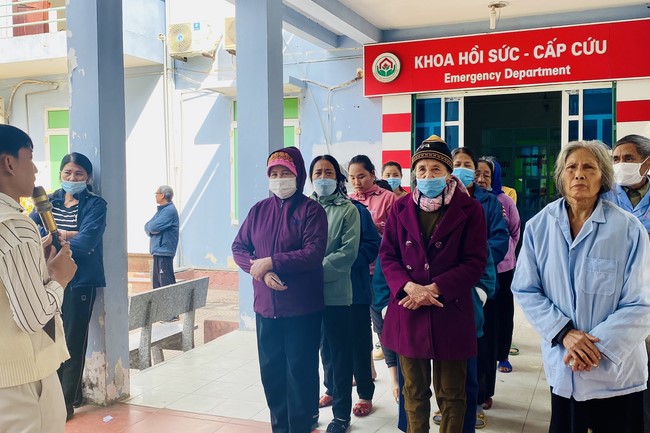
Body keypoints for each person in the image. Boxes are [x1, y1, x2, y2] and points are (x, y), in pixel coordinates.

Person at [512, 140, 650, 433]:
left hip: (617, 374)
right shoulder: (539, 226)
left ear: (603, 177)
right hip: (565, 365)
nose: (579, 174)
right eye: (571, 167)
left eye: (589, 167)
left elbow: (641, 302)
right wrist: (565, 334)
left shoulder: (629, 229)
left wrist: (594, 349)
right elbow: (526, 289)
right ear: (561, 176)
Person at [381, 135, 487, 433]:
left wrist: (435, 289)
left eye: (436, 169)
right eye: (422, 169)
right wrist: (410, 287)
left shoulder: (470, 210)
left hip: (449, 307)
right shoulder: (400, 208)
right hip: (409, 307)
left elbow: (475, 261)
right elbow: (388, 256)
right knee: (413, 392)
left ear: (448, 172)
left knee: (452, 394)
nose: (428, 175)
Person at [232, 147, 328, 433]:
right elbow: (239, 247)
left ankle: (300, 427)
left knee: (300, 373)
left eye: (285, 172)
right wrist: (261, 271)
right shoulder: (258, 210)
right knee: (272, 374)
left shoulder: (312, 211)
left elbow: (313, 253)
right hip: (266, 308)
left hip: (301, 309)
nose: (278, 178)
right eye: (273, 173)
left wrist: (272, 261)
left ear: (298, 175)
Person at [0, 124, 77, 433]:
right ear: (9, 163)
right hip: (22, 382)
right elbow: (31, 317)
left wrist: (36, 268)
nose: (34, 169)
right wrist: (59, 278)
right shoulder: (15, 225)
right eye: (30, 157)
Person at [30, 152, 107, 420]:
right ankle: (54, 397)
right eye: (67, 173)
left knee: (73, 340)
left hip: (80, 281)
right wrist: (69, 234)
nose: (72, 178)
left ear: (88, 178)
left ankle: (66, 403)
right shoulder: (48, 201)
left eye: (78, 174)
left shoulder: (96, 205)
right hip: (49, 279)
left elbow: (87, 242)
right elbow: (33, 231)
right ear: (60, 174)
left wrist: (56, 236)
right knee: (51, 338)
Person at [310, 154, 360, 433]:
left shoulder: (348, 210)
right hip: (304, 297)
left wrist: (312, 271)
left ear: (338, 178)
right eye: (317, 172)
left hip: (336, 295)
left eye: (328, 172)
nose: (323, 177)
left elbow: (348, 252)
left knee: (339, 355)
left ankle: (341, 415)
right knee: (310, 354)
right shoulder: (304, 208)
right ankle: (309, 409)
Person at [604, 134, 650, 433]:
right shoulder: (604, 195)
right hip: (613, 294)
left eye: (629, 159)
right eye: (616, 159)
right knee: (616, 364)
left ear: (647, 162)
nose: (621, 164)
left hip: (647, 293)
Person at [347, 154, 397, 408]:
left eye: (362, 176)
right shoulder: (348, 201)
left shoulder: (388, 199)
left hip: (381, 272)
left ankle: (395, 377)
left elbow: (398, 233)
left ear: (373, 174)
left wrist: (375, 229)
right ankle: (366, 370)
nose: (357, 182)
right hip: (356, 272)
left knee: (381, 323)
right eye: (352, 177)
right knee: (358, 325)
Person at [144, 185, 179, 290]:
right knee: (157, 285)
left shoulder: (169, 211)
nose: (155, 196)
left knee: (165, 285)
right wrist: (151, 230)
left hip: (164, 252)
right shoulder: (162, 210)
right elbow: (147, 226)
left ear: (162, 195)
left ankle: (172, 301)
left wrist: (151, 229)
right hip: (158, 251)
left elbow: (152, 226)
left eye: (157, 193)